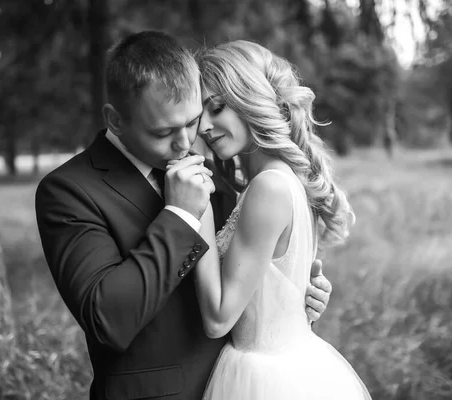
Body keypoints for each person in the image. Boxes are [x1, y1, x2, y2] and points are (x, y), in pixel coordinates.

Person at [35, 31, 332, 400]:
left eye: (191, 122)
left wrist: (289, 295)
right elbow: (106, 320)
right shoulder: (69, 191)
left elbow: (241, 280)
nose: (186, 142)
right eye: (163, 132)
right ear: (115, 120)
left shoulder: (216, 174)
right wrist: (179, 215)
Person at [190, 40, 372, 399]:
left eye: (217, 108)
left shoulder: (269, 186)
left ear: (249, 99)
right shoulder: (284, 179)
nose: (204, 128)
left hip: (262, 377)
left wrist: (198, 209)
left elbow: (218, 319)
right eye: (199, 116)